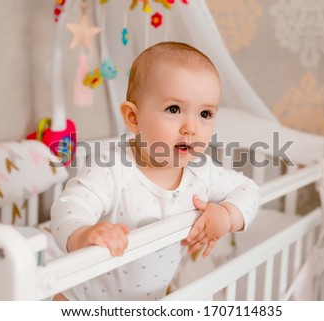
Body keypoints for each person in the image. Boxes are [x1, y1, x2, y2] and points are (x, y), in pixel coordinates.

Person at [50, 41, 260, 300]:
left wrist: (227, 216)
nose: (190, 128)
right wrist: (83, 233)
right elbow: (67, 209)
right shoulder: (111, 167)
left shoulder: (201, 172)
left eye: (205, 113)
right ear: (133, 118)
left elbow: (249, 189)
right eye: (174, 109)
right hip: (82, 299)